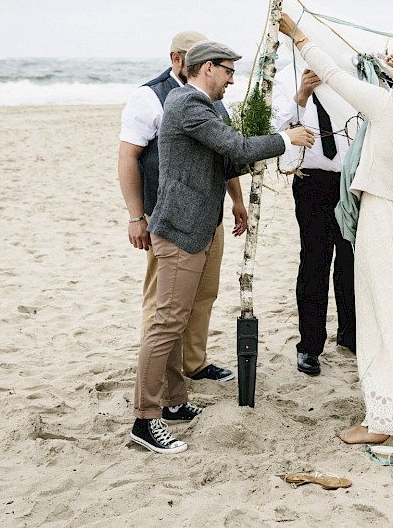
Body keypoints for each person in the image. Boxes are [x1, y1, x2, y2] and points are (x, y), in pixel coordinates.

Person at [279, 12, 393, 446]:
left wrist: (298, 34)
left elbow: (334, 73)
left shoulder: (389, 107)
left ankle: (382, 418)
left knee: (380, 318)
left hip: (385, 221)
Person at [130, 40, 315, 454]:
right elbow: (237, 148)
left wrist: (270, 142)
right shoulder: (187, 104)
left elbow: (231, 159)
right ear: (207, 67)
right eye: (229, 71)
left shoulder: (201, 106)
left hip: (194, 226)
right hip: (179, 229)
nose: (233, 79)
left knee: (176, 323)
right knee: (166, 324)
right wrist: (287, 139)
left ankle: (175, 403)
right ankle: (145, 419)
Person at [119, 31, 242, 386]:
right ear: (178, 59)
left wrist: (235, 199)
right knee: (163, 303)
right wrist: (135, 216)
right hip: (168, 218)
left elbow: (224, 151)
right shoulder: (149, 96)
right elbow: (128, 158)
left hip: (209, 214)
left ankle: (194, 361)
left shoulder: (213, 97)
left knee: (204, 293)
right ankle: (157, 376)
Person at [273, 68, 356, 376]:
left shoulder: (345, 74)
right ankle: (310, 345)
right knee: (314, 262)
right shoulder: (285, 76)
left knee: (350, 261)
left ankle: (350, 334)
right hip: (311, 181)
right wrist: (302, 96)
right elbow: (277, 128)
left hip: (350, 182)